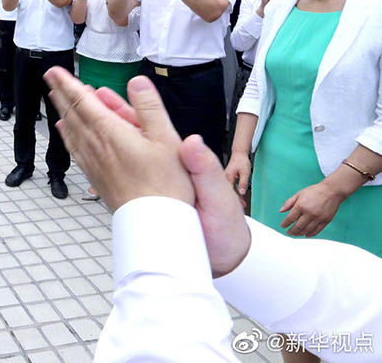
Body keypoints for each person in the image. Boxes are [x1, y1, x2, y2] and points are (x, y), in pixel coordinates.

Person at [42, 66, 382, 363]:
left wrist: (156, 225)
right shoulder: (283, 7)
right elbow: (368, 313)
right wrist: (239, 252)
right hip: (278, 167)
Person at [227, 0, 382, 362]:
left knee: (350, 317)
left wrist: (334, 188)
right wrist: (238, 153)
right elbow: (258, 88)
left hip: (353, 190)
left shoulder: (377, 11)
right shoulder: (278, 7)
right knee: (292, 308)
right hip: (279, 179)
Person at [107, 0, 239, 160]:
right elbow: (117, 14)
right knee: (151, 154)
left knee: (198, 159)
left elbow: (212, 11)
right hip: (150, 76)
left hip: (196, 81)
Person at [0, 0, 81, 199]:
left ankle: (57, 172)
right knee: (23, 116)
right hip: (24, 56)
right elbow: (8, 6)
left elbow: (61, 1)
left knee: (59, 119)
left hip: (57, 59)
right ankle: (23, 164)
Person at [70, 0, 140, 201]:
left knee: (119, 121)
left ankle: (120, 177)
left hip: (120, 56)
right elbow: (77, 19)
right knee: (94, 119)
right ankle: (100, 176)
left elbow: (120, 18)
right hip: (90, 54)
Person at [228, 0, 304, 141]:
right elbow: (238, 43)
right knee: (244, 142)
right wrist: (263, 10)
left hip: (290, 81)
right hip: (249, 76)